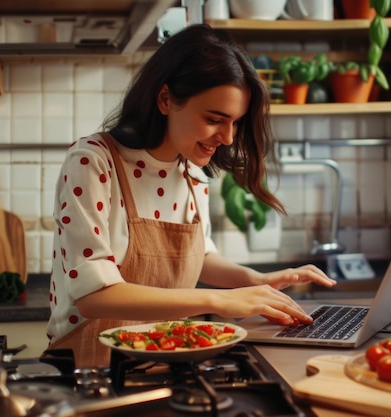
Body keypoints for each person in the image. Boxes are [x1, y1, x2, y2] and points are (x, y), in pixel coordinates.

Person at [45, 24, 336, 368]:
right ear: (166, 99)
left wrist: (258, 281)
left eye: (236, 123)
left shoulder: (193, 173)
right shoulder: (93, 161)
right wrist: (221, 301)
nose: (227, 138)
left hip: (167, 363)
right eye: (215, 119)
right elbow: (94, 296)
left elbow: (201, 257)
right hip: (90, 367)